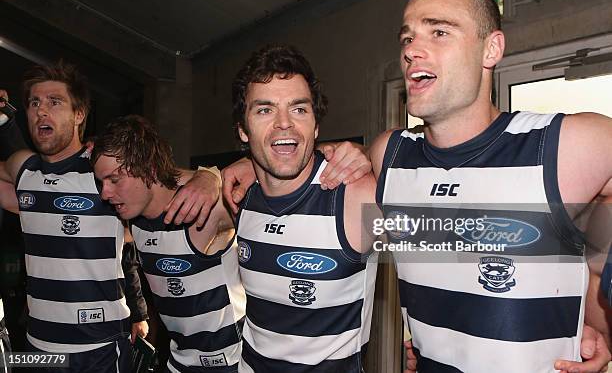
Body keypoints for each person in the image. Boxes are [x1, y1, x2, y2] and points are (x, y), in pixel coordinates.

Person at [223, 0, 612, 373]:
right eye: (406, 38)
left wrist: (598, 321)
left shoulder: (568, 144)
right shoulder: (390, 156)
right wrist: (247, 164)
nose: (410, 50)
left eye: (439, 31)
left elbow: (597, 227)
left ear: (491, 48)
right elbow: (304, 175)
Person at [0, 61, 220, 372]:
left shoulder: (104, 171)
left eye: (54, 101)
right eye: (34, 102)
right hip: (38, 346)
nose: (41, 111)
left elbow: (168, 180)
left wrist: (210, 177)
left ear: (79, 115)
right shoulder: (23, 168)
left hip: (99, 349)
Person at [230, 44, 378, 372]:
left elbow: (463, 243)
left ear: (315, 125)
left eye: (298, 109)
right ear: (243, 129)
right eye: (264, 110)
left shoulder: (355, 195)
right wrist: (208, 179)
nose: (285, 124)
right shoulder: (236, 197)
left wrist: (373, 152)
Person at [91, 115, 246, 372]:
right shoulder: (130, 214)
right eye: (101, 182)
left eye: (114, 180)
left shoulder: (208, 205)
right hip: (179, 361)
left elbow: (276, 178)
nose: (105, 193)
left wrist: (213, 176)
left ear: (149, 169)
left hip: (232, 362)